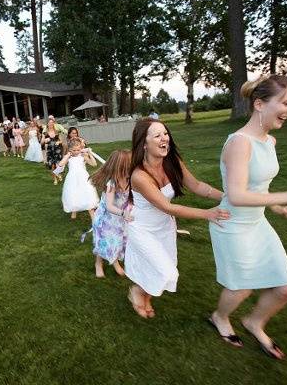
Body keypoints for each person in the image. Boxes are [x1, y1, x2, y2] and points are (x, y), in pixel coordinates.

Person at [208, 75, 287, 359]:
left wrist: (274, 206)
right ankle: (220, 317)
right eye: (285, 103)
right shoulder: (239, 143)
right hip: (232, 223)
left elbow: (258, 186)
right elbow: (236, 195)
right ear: (259, 104)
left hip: (257, 222)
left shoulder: (269, 140)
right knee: (241, 287)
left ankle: (254, 322)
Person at [126, 119, 228, 319]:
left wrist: (228, 196)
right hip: (144, 229)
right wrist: (208, 214)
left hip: (164, 227)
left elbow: (198, 186)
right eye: (157, 135)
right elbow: (167, 206)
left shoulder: (173, 162)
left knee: (162, 267)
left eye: (165, 133)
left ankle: (145, 295)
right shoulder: (139, 176)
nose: (165, 138)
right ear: (144, 144)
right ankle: (138, 292)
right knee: (167, 272)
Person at [89, 150, 132, 278]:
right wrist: (124, 213)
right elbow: (109, 206)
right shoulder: (111, 183)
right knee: (103, 242)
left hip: (120, 218)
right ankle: (98, 263)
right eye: (130, 164)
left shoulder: (130, 179)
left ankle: (115, 262)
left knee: (117, 241)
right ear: (121, 166)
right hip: (106, 218)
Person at [59, 138, 99, 219]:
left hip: (83, 178)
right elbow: (60, 164)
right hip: (72, 178)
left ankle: (92, 215)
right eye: (74, 150)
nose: (77, 152)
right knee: (73, 193)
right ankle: (74, 211)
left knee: (87, 193)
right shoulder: (69, 157)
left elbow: (94, 164)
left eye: (78, 150)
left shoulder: (83, 156)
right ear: (70, 149)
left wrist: (89, 154)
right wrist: (67, 156)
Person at [42, 118, 64, 185]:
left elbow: (61, 141)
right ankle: (55, 179)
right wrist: (45, 140)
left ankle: (59, 175)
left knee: (58, 165)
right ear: (47, 124)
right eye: (49, 123)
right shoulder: (45, 133)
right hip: (50, 151)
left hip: (57, 151)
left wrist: (58, 142)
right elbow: (42, 142)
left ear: (53, 124)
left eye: (52, 122)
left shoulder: (57, 132)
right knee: (52, 166)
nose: (51, 124)